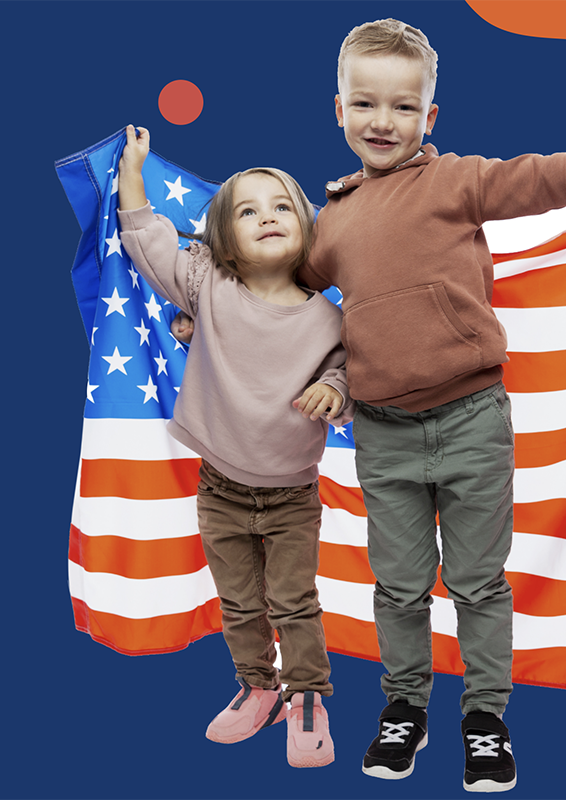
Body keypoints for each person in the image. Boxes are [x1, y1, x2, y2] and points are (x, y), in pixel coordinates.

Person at [169, 19, 566, 791]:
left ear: (429, 119)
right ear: (337, 110)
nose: (382, 121)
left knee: (478, 582)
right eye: (365, 103)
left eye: (403, 108)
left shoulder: (458, 181)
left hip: (471, 418)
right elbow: (266, 289)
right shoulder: (327, 226)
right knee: (399, 586)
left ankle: (486, 717)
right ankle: (404, 708)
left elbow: (556, 176)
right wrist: (197, 312)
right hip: (384, 432)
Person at [117, 124, 353, 769]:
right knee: (240, 601)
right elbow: (149, 241)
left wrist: (335, 389)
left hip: (291, 493)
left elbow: (350, 369)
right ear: (223, 240)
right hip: (219, 485)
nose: (267, 218)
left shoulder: (328, 319)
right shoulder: (206, 286)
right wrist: (132, 171)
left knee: (293, 600)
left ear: (309, 230)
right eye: (247, 211)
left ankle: (308, 696)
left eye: (282, 207)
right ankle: (258, 686)